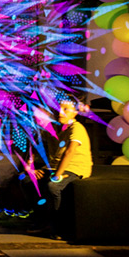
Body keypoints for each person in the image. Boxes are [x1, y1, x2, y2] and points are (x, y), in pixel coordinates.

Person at [28, 98, 93, 238]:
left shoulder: (77, 128)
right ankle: (41, 221)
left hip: (74, 167)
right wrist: (30, 167)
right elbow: (34, 144)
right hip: (54, 166)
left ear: (75, 112)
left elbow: (70, 152)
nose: (60, 113)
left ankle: (58, 227)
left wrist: (57, 175)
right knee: (27, 180)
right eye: (58, 109)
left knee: (53, 186)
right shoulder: (52, 126)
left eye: (66, 109)